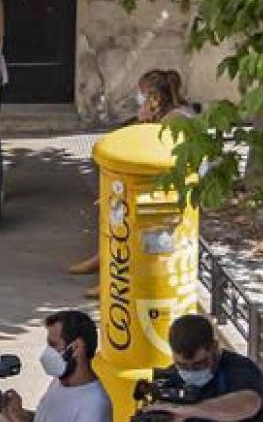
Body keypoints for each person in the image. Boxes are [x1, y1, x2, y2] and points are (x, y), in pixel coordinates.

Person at [69, 68, 196, 278]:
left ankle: (114, 275)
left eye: (142, 96)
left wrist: (145, 122)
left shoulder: (173, 121)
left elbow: (155, 160)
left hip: (175, 190)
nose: (139, 101)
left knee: (123, 212)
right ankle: (103, 260)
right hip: (165, 183)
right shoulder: (169, 114)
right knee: (113, 205)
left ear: (154, 99)